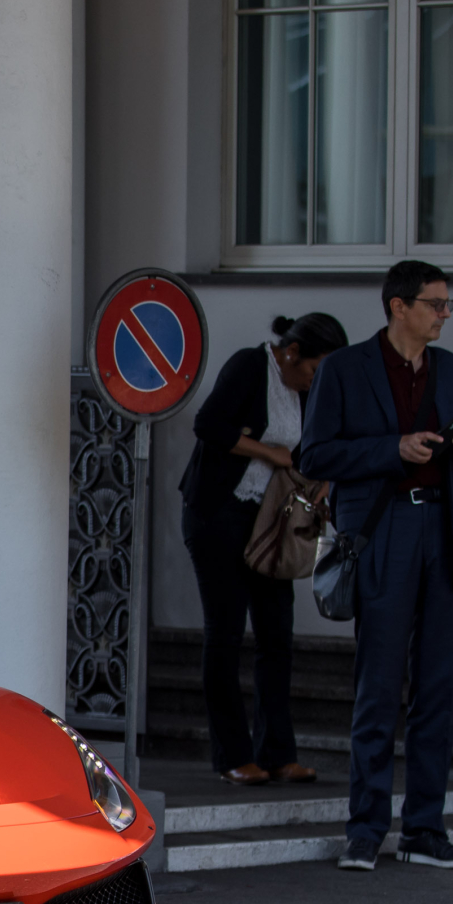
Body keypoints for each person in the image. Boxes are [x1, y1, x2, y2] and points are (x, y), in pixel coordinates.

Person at [294, 260, 453, 870]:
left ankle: (425, 829)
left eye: (448, 305)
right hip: (383, 531)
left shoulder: (449, 369)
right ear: (399, 306)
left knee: (438, 689)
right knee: (378, 686)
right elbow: (314, 453)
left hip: (442, 530)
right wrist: (391, 449)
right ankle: (366, 828)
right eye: (435, 304)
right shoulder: (347, 369)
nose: (443, 315)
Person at [179, 312, 348, 786]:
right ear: (292, 353)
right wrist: (268, 452)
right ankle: (233, 755)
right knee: (226, 633)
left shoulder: (310, 387)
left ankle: (278, 753)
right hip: (218, 514)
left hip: (270, 523)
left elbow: (321, 443)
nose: (316, 380)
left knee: (276, 635)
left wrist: (324, 478)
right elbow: (209, 425)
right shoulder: (250, 367)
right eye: (315, 369)